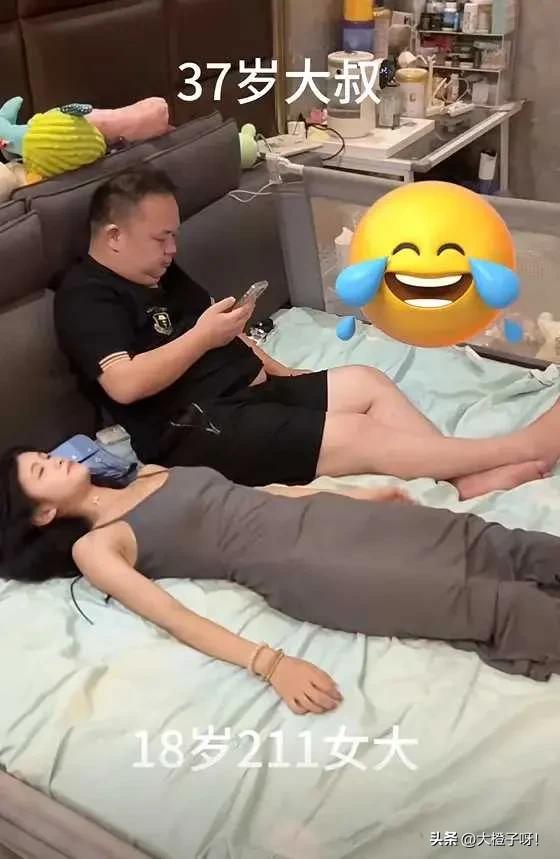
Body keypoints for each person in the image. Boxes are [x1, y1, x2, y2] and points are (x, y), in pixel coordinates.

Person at [54, 165, 556, 499]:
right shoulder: (87, 296)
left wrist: (282, 371)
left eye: (175, 236)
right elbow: (124, 384)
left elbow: (221, 326)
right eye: (161, 238)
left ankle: (461, 477)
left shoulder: (159, 271)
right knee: (356, 434)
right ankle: (517, 448)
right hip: (193, 431)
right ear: (114, 236)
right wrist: (203, 337)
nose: (171, 249)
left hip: (247, 392)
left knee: (365, 382)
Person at [3, 447, 560, 717]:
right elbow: (174, 617)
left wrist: (356, 495)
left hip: (326, 518)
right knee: (486, 601)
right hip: (305, 565)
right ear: (43, 514)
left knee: (492, 542)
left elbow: (262, 492)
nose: (56, 459)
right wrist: (271, 665)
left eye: (46, 455)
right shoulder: (95, 547)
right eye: (41, 470)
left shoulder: (146, 471)